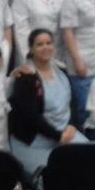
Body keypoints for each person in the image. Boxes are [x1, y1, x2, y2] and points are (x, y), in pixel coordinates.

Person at [8, 29, 88, 175]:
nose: (45, 47)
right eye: (40, 44)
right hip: (35, 141)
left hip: (65, 133)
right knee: (55, 175)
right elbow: (30, 116)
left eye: (48, 43)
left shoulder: (62, 71)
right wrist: (58, 136)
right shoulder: (25, 76)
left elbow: (72, 104)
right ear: (31, 49)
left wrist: (72, 126)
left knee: (90, 161)